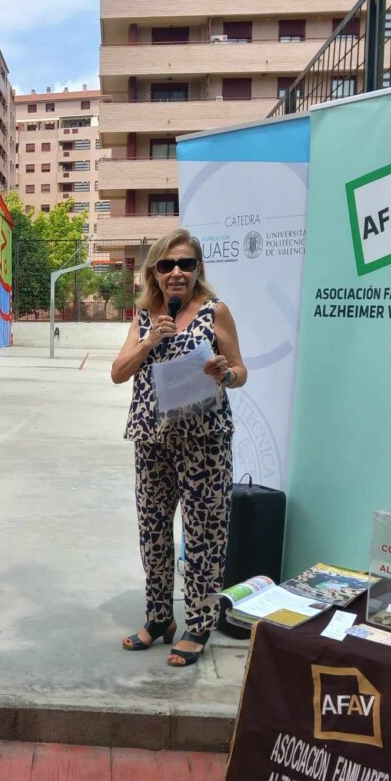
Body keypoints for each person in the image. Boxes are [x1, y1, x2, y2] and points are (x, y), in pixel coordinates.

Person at [110, 228, 247, 666]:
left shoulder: (215, 311)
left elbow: (241, 371)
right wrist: (150, 341)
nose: (176, 273)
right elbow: (118, 372)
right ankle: (159, 618)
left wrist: (225, 373)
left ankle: (199, 624)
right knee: (153, 533)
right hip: (152, 442)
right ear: (154, 271)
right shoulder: (146, 316)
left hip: (204, 443)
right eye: (167, 265)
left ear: (197, 269)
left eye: (186, 264)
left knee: (204, 535)